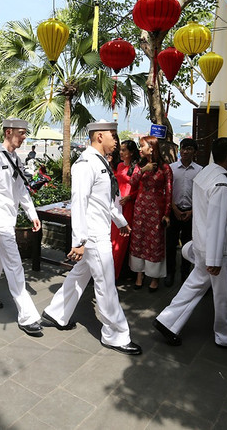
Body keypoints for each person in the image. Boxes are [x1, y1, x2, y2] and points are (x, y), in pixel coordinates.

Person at [42, 120, 141, 356]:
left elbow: (104, 200)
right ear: (99, 137)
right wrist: (79, 241)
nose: (116, 141)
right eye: (113, 136)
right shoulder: (86, 163)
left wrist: (121, 221)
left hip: (99, 231)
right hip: (93, 236)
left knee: (78, 276)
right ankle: (115, 335)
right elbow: (79, 203)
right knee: (106, 285)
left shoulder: (100, 162)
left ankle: (56, 313)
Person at [154, 137, 227, 350]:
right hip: (218, 250)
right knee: (224, 297)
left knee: (193, 287)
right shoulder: (222, 183)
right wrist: (215, 259)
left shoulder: (206, 174)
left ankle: (167, 321)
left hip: (202, 245)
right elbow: (217, 223)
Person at [0, 119, 44, 337]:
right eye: (21, 133)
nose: (24, 137)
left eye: (25, 133)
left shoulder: (14, 158)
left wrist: (32, 214)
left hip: (8, 219)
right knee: (14, 265)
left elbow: (21, 189)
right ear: (8, 132)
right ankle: (27, 316)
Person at [128, 135, 172, 292]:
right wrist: (143, 171)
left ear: (151, 148)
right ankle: (139, 276)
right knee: (138, 240)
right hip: (140, 208)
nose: (140, 149)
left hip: (156, 209)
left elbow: (169, 192)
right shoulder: (140, 165)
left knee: (154, 242)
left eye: (142, 146)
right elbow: (132, 182)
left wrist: (167, 213)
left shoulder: (165, 168)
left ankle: (155, 278)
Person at [165, 138, 202, 287]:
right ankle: (170, 273)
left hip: (191, 213)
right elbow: (167, 191)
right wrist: (173, 208)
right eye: (183, 148)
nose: (185, 151)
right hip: (174, 212)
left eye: (189, 149)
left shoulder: (200, 170)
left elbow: (202, 194)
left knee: (188, 246)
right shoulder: (171, 168)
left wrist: (192, 211)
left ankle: (185, 274)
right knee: (171, 245)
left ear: (195, 152)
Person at [113, 140, 140, 279]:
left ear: (131, 152)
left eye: (124, 150)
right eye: (121, 150)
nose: (121, 152)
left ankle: (117, 274)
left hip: (129, 206)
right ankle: (111, 271)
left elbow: (141, 188)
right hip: (117, 204)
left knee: (122, 240)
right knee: (114, 238)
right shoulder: (119, 166)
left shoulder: (137, 168)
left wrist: (130, 197)